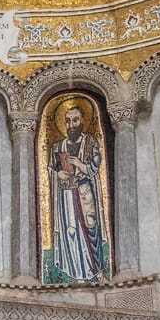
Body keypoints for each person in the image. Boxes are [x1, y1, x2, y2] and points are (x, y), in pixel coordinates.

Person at [45, 102, 107, 282]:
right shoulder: (57, 147)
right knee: (70, 233)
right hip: (65, 196)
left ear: (82, 121)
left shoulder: (90, 142)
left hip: (85, 193)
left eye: (75, 120)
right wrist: (58, 173)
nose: (71, 125)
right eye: (68, 121)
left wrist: (80, 164)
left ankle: (98, 273)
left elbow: (95, 165)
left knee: (90, 230)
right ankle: (75, 274)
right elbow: (50, 168)